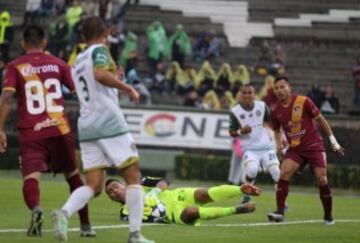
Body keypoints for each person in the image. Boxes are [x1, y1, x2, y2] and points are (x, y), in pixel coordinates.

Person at [50, 17, 154, 243]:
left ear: (82, 37)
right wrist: (127, 88)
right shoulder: (100, 50)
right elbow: (99, 75)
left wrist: (115, 79)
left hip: (87, 125)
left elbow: (89, 88)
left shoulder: (78, 60)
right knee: (133, 175)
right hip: (108, 121)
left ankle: (64, 213)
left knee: (94, 185)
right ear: (105, 32)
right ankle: (136, 235)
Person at [0, 25, 94, 237]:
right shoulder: (59, 64)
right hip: (59, 128)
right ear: (44, 43)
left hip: (31, 132)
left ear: (23, 43)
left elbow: (6, 97)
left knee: (30, 178)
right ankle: (86, 226)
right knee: (73, 176)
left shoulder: (15, 66)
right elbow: (78, 92)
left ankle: (36, 209)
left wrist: (0, 129)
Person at [267, 76, 345, 225]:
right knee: (283, 173)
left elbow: (321, 119)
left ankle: (328, 217)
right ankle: (280, 212)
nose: (279, 90)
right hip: (295, 150)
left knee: (322, 179)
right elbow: (277, 130)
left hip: (314, 146)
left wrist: (333, 141)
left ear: (289, 87)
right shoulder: (275, 110)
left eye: (282, 87)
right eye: (276, 88)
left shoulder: (303, 101)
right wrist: (279, 143)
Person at [105, 178, 261, 225]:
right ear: (112, 199)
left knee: (204, 193)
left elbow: (163, 181)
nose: (114, 191)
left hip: (177, 195)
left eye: (115, 186)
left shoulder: (141, 183)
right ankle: (237, 209)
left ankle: (241, 189)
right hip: (173, 214)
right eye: (110, 192)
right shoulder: (125, 211)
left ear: (123, 184)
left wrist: (155, 191)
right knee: (192, 211)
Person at [229, 84, 280, 203]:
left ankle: (281, 200)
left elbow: (271, 122)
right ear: (240, 95)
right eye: (244, 93)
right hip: (249, 148)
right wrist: (240, 131)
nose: (247, 95)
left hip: (266, 146)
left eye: (249, 93)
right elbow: (232, 132)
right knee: (252, 170)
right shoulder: (235, 112)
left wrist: (275, 137)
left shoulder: (262, 106)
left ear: (254, 94)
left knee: (276, 172)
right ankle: (246, 195)